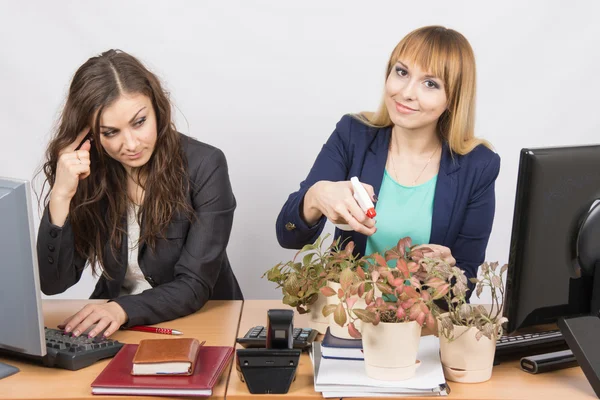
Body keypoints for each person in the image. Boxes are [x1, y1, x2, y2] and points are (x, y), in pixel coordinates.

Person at [276, 26, 500, 298]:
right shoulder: (353, 134)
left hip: (421, 328)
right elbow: (288, 235)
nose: (406, 92)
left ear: (452, 99)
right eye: (402, 72)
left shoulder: (478, 165)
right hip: (351, 319)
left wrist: (441, 275)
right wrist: (315, 196)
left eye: (430, 83)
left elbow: (464, 286)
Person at [37, 49, 243, 338]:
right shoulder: (89, 171)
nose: (130, 144)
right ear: (91, 135)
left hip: (197, 323)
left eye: (139, 122)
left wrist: (120, 309)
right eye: (111, 132)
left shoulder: (205, 165)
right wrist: (60, 196)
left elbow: (194, 283)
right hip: (116, 328)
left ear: (156, 108)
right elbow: (54, 283)